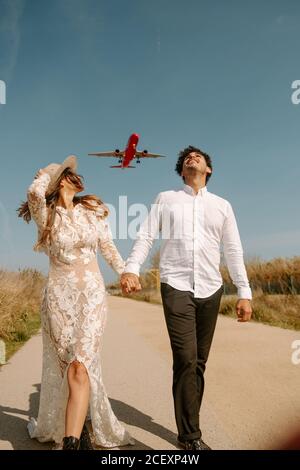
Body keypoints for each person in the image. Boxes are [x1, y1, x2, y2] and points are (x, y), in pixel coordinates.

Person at [120, 146, 252, 450]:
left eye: (199, 157)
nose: (192, 159)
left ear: (208, 170)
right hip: (176, 284)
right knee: (186, 358)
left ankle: (188, 424)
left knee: (199, 363)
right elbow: (146, 235)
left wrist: (244, 292)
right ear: (183, 171)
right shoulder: (166, 199)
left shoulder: (222, 206)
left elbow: (233, 250)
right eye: (187, 158)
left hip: (210, 287)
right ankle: (191, 436)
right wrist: (131, 269)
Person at [18, 155, 134, 450]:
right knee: (70, 368)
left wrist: (124, 272)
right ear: (58, 181)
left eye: (69, 172)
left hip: (92, 294)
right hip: (59, 296)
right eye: (66, 173)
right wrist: (47, 171)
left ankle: (70, 443)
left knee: (81, 364)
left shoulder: (92, 209)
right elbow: (34, 192)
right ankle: (78, 431)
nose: (73, 175)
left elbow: (107, 245)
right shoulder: (45, 214)